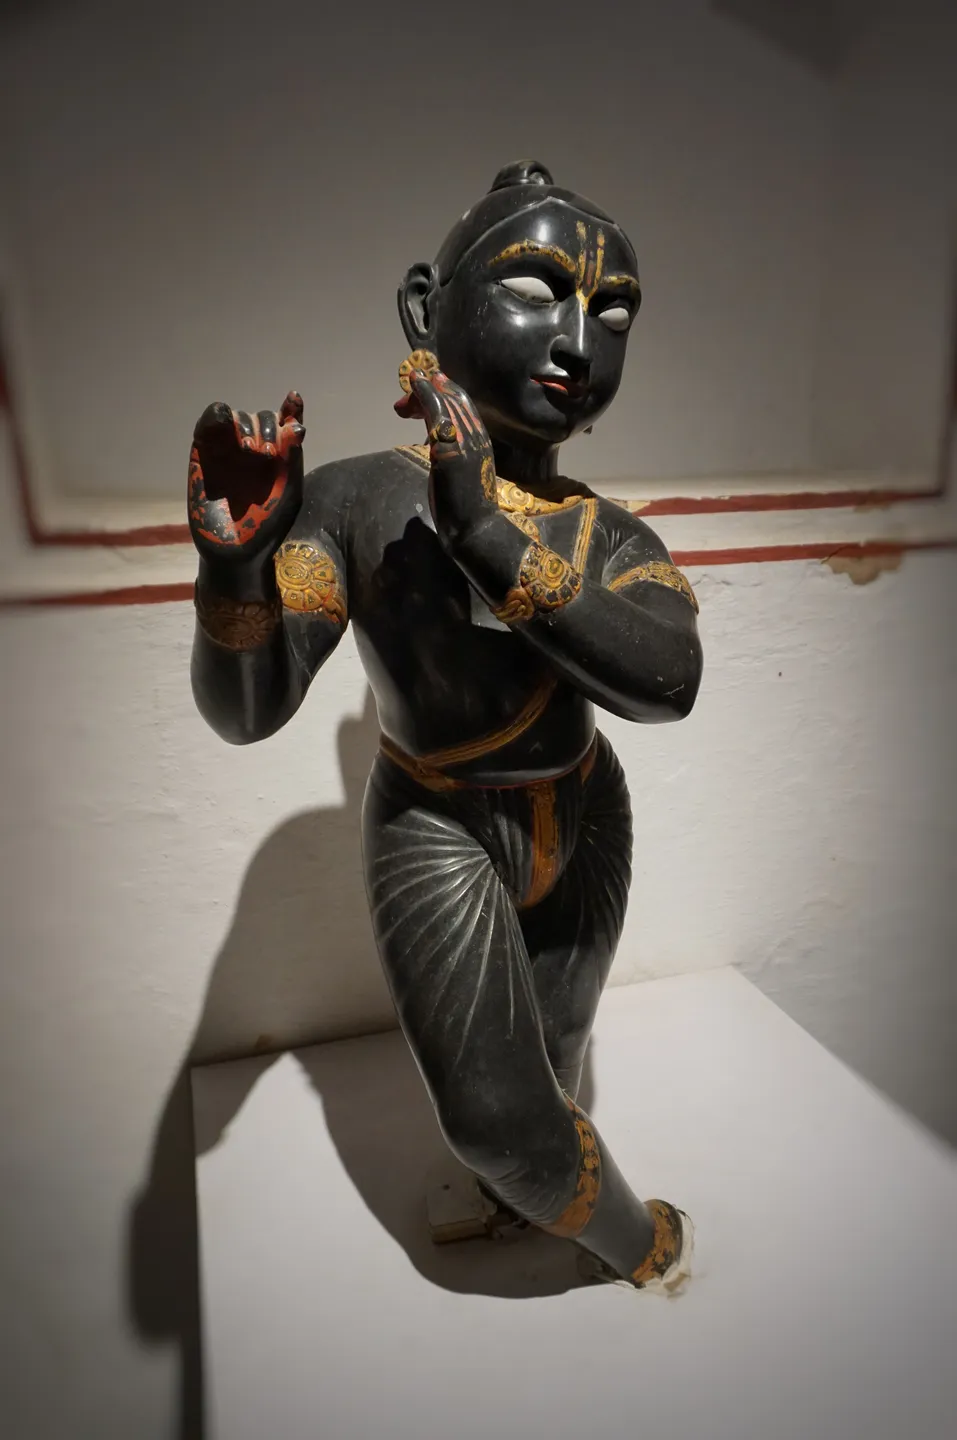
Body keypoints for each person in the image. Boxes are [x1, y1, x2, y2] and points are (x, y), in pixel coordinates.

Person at [186, 160, 703, 1289]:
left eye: (612, 312)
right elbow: (251, 709)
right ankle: (638, 1242)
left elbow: (669, 682)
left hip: (585, 809)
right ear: (426, 308)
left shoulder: (608, 534)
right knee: (495, 1119)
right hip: (437, 827)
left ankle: (530, 1208)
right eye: (535, 289)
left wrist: (487, 533)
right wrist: (233, 573)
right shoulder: (360, 504)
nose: (577, 339)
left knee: (554, 1055)